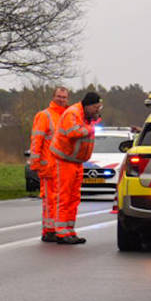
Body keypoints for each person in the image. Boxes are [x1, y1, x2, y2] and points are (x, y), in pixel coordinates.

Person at [45, 90, 102, 244]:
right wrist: (90, 128)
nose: (97, 111)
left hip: (76, 162)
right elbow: (73, 132)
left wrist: (91, 122)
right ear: (88, 106)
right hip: (63, 160)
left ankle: (69, 230)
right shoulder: (73, 113)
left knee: (74, 198)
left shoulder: (86, 117)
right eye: (96, 108)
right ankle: (61, 232)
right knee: (63, 196)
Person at [29, 85, 70, 242]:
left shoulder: (67, 116)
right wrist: (36, 163)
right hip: (49, 166)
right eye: (59, 96)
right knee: (50, 200)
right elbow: (36, 140)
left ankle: (56, 229)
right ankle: (48, 230)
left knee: (60, 200)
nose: (61, 99)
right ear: (53, 97)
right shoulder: (44, 116)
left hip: (63, 167)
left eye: (64, 97)